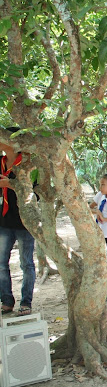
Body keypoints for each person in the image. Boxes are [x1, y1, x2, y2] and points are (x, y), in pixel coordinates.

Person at [0, 130, 36, 316]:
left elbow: (35, 191)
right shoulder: (1, 162)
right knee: (1, 263)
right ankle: (6, 301)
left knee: (26, 263)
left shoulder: (28, 163)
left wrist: (10, 185)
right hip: (4, 220)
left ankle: (26, 302)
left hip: (25, 221)